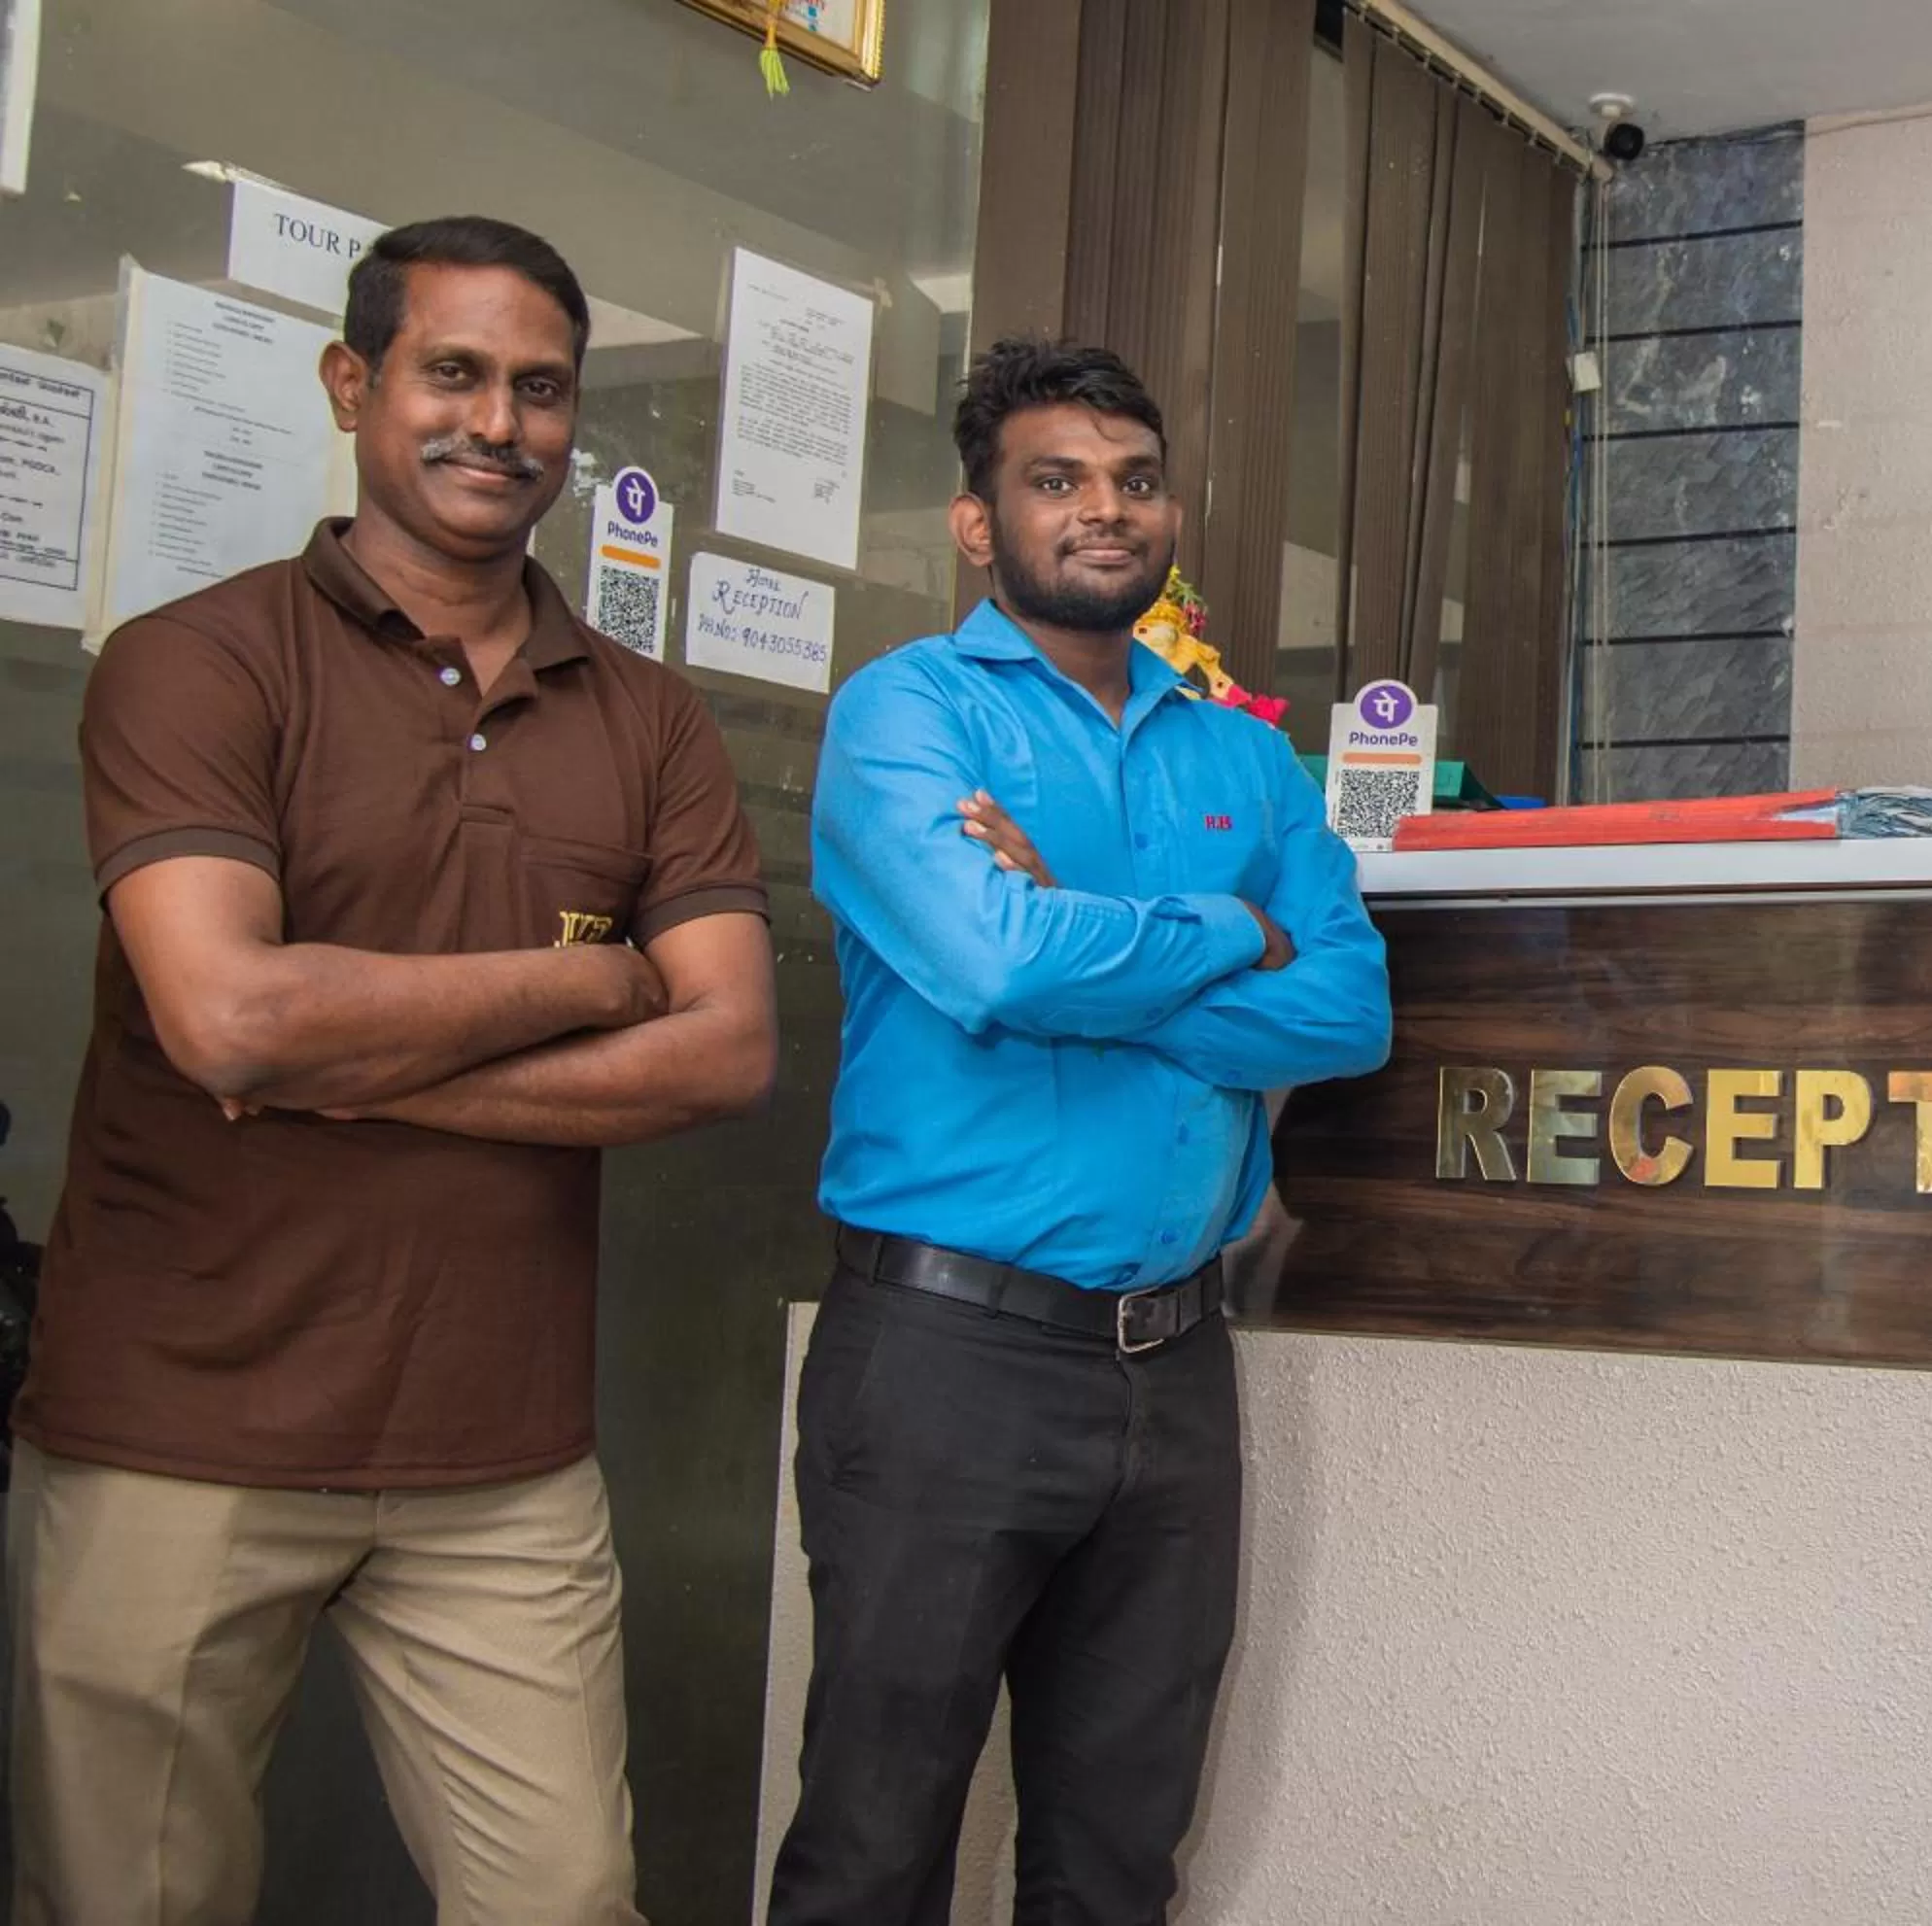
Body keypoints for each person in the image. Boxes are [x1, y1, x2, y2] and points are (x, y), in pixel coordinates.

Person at [12, 216, 776, 1925]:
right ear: (353, 383)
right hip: (180, 1425)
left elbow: (723, 1047)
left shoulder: (649, 720)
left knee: (568, 1897)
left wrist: (350, 1061)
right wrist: (589, 977)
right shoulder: (198, 660)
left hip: (497, 1452)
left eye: (540, 390)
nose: (498, 424)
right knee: (130, 1899)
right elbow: (229, 1017)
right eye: (453, 373)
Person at [770, 338, 1390, 1926]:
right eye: (1057, 481)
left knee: (1118, 1859)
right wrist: (1216, 929)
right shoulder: (906, 715)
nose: (1104, 511)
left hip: (1175, 1374)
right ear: (980, 523)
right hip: (944, 1362)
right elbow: (985, 959)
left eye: (1132, 480)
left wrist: (1078, 937)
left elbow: (1348, 1013)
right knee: (874, 1845)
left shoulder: (1243, 751)